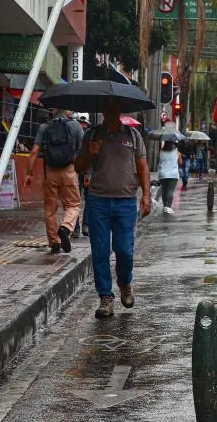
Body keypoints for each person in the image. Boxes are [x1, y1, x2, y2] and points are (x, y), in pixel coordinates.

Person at [74, 100, 151, 319]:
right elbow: (78, 167)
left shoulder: (133, 136)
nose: (111, 111)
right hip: (98, 201)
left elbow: (143, 166)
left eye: (114, 108)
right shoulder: (91, 135)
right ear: (103, 111)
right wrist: (90, 153)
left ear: (119, 110)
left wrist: (146, 195)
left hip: (126, 202)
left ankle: (125, 283)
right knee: (100, 251)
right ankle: (105, 297)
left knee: (124, 250)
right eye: (107, 108)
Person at [24, 109, 83, 254]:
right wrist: (86, 173)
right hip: (69, 170)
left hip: (50, 172)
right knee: (73, 204)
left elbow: (34, 151)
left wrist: (29, 173)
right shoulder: (75, 126)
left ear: (53, 111)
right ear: (67, 111)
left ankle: (54, 242)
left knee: (50, 209)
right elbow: (83, 152)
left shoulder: (44, 127)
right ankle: (65, 227)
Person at [73, 113, 91, 238]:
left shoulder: (73, 131)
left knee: (74, 200)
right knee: (88, 199)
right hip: (87, 170)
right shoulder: (90, 133)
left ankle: (76, 229)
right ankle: (86, 225)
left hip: (74, 169)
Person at [158, 141, 182, 214]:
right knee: (170, 191)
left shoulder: (161, 152)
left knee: (164, 191)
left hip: (163, 174)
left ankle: (165, 206)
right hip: (173, 174)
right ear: (173, 145)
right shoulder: (177, 152)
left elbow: (159, 161)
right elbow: (180, 163)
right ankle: (168, 207)